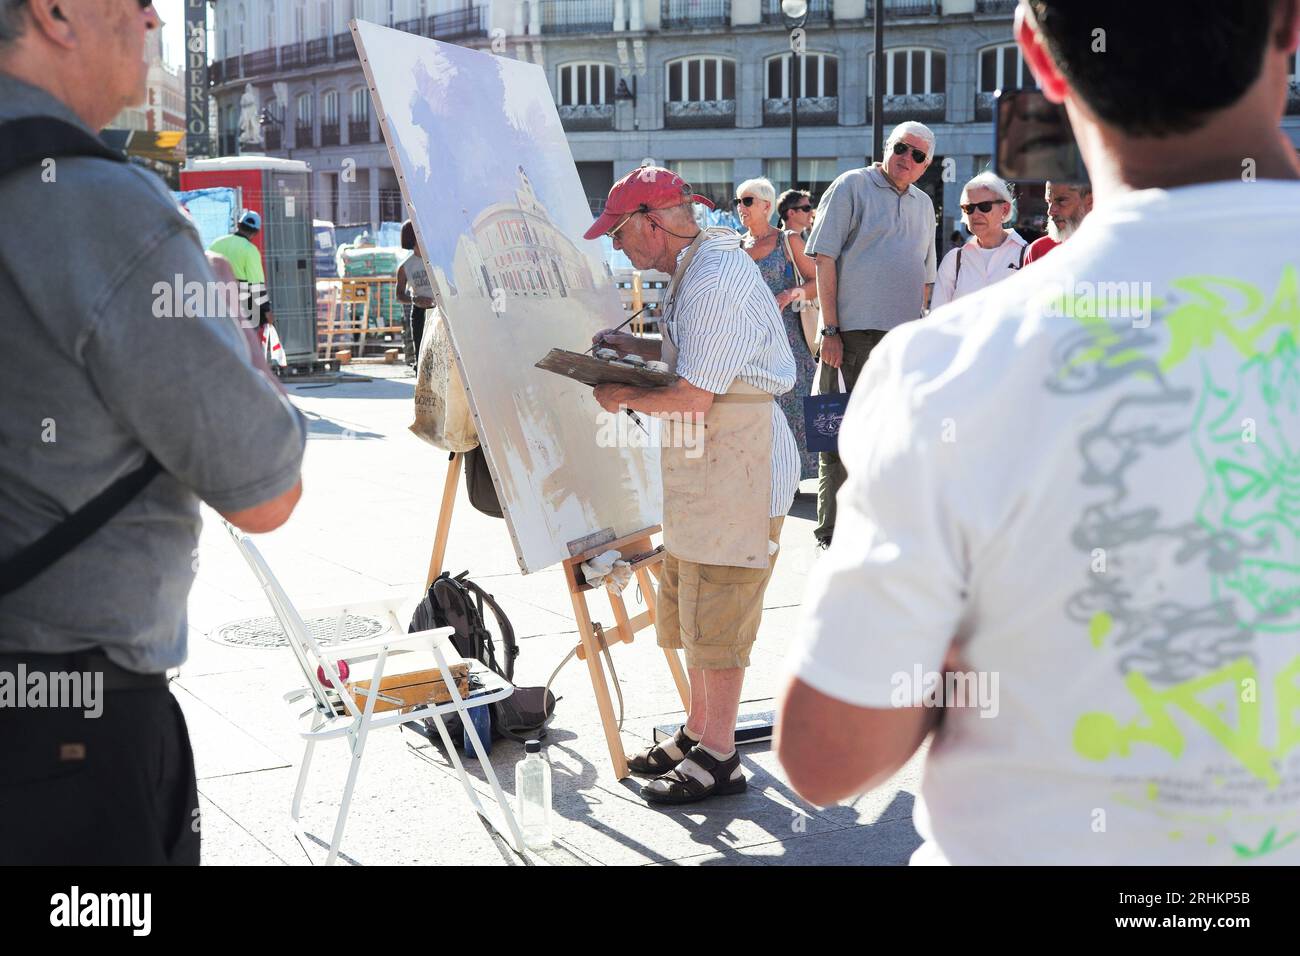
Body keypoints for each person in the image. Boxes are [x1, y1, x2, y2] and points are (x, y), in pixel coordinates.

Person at [778, 0, 1300, 864]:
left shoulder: (941, 369)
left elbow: (829, 755)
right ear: (1287, 23)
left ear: (1040, 60)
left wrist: (991, 619)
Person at [0, 0, 307, 865]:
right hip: (64, 738)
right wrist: (234, 332)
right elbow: (267, 490)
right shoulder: (93, 201)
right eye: (139, 6)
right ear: (57, 13)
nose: (155, 24)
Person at [583, 166, 798, 804]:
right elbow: (697, 364)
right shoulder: (696, 271)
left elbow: (695, 396)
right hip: (718, 462)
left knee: (722, 613)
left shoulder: (713, 278)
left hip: (742, 465)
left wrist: (617, 389)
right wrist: (633, 350)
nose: (617, 246)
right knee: (697, 605)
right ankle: (701, 733)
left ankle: (720, 755)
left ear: (653, 222)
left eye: (620, 233)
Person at [804, 121, 938, 547]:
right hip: (849, 336)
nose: (908, 158)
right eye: (903, 147)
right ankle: (832, 535)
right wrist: (830, 330)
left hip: (901, 344)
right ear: (888, 146)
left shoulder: (922, 204)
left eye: (919, 155)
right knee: (835, 434)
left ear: (926, 165)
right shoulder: (851, 185)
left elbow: (926, 279)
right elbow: (823, 260)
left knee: (891, 441)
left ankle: (877, 530)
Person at [736, 177, 819, 484]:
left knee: (796, 404)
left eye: (747, 201)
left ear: (767, 206)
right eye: (738, 202)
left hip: (788, 339)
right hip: (750, 343)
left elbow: (817, 282)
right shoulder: (736, 246)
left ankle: (801, 474)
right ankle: (770, 475)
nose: (740, 208)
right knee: (760, 408)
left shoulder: (788, 240)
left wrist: (788, 295)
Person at [929, 172, 1028, 309]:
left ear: (1004, 209)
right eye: (969, 208)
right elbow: (937, 318)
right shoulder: (954, 261)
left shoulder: (1027, 255)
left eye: (985, 206)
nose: (975, 214)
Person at [209, 208, 273, 327]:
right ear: (256, 232)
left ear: (238, 225)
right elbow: (256, 285)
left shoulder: (216, 243)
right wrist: (266, 310)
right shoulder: (250, 250)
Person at [1022, 180, 1092, 264]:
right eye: (1049, 202)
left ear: (1089, 201)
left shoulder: (1110, 248)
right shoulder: (1039, 250)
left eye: (1061, 201)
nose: (1050, 211)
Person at [395, 219, 435, 367]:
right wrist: (415, 299)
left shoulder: (435, 259)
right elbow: (399, 295)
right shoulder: (405, 267)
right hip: (419, 312)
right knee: (421, 351)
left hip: (439, 310)